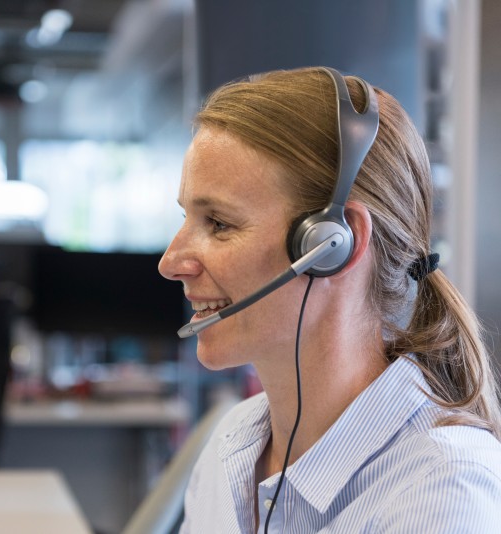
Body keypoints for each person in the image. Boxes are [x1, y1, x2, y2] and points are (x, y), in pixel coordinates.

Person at [158, 66, 501, 533]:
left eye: (219, 223)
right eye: (187, 217)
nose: (171, 261)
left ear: (332, 245)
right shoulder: (231, 447)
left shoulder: (443, 492)